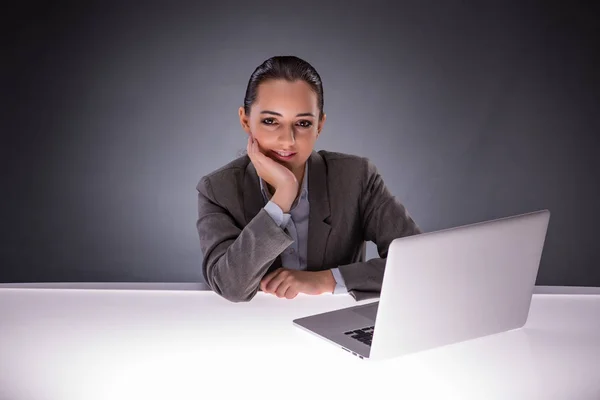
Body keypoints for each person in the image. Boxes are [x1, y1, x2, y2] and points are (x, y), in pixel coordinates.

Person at [196, 55, 421, 303]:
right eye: (271, 121)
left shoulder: (356, 178)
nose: (287, 140)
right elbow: (230, 286)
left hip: (335, 325)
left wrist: (327, 280)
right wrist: (282, 197)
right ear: (246, 121)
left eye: (302, 123)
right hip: (255, 331)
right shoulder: (217, 190)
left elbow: (418, 263)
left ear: (319, 126)